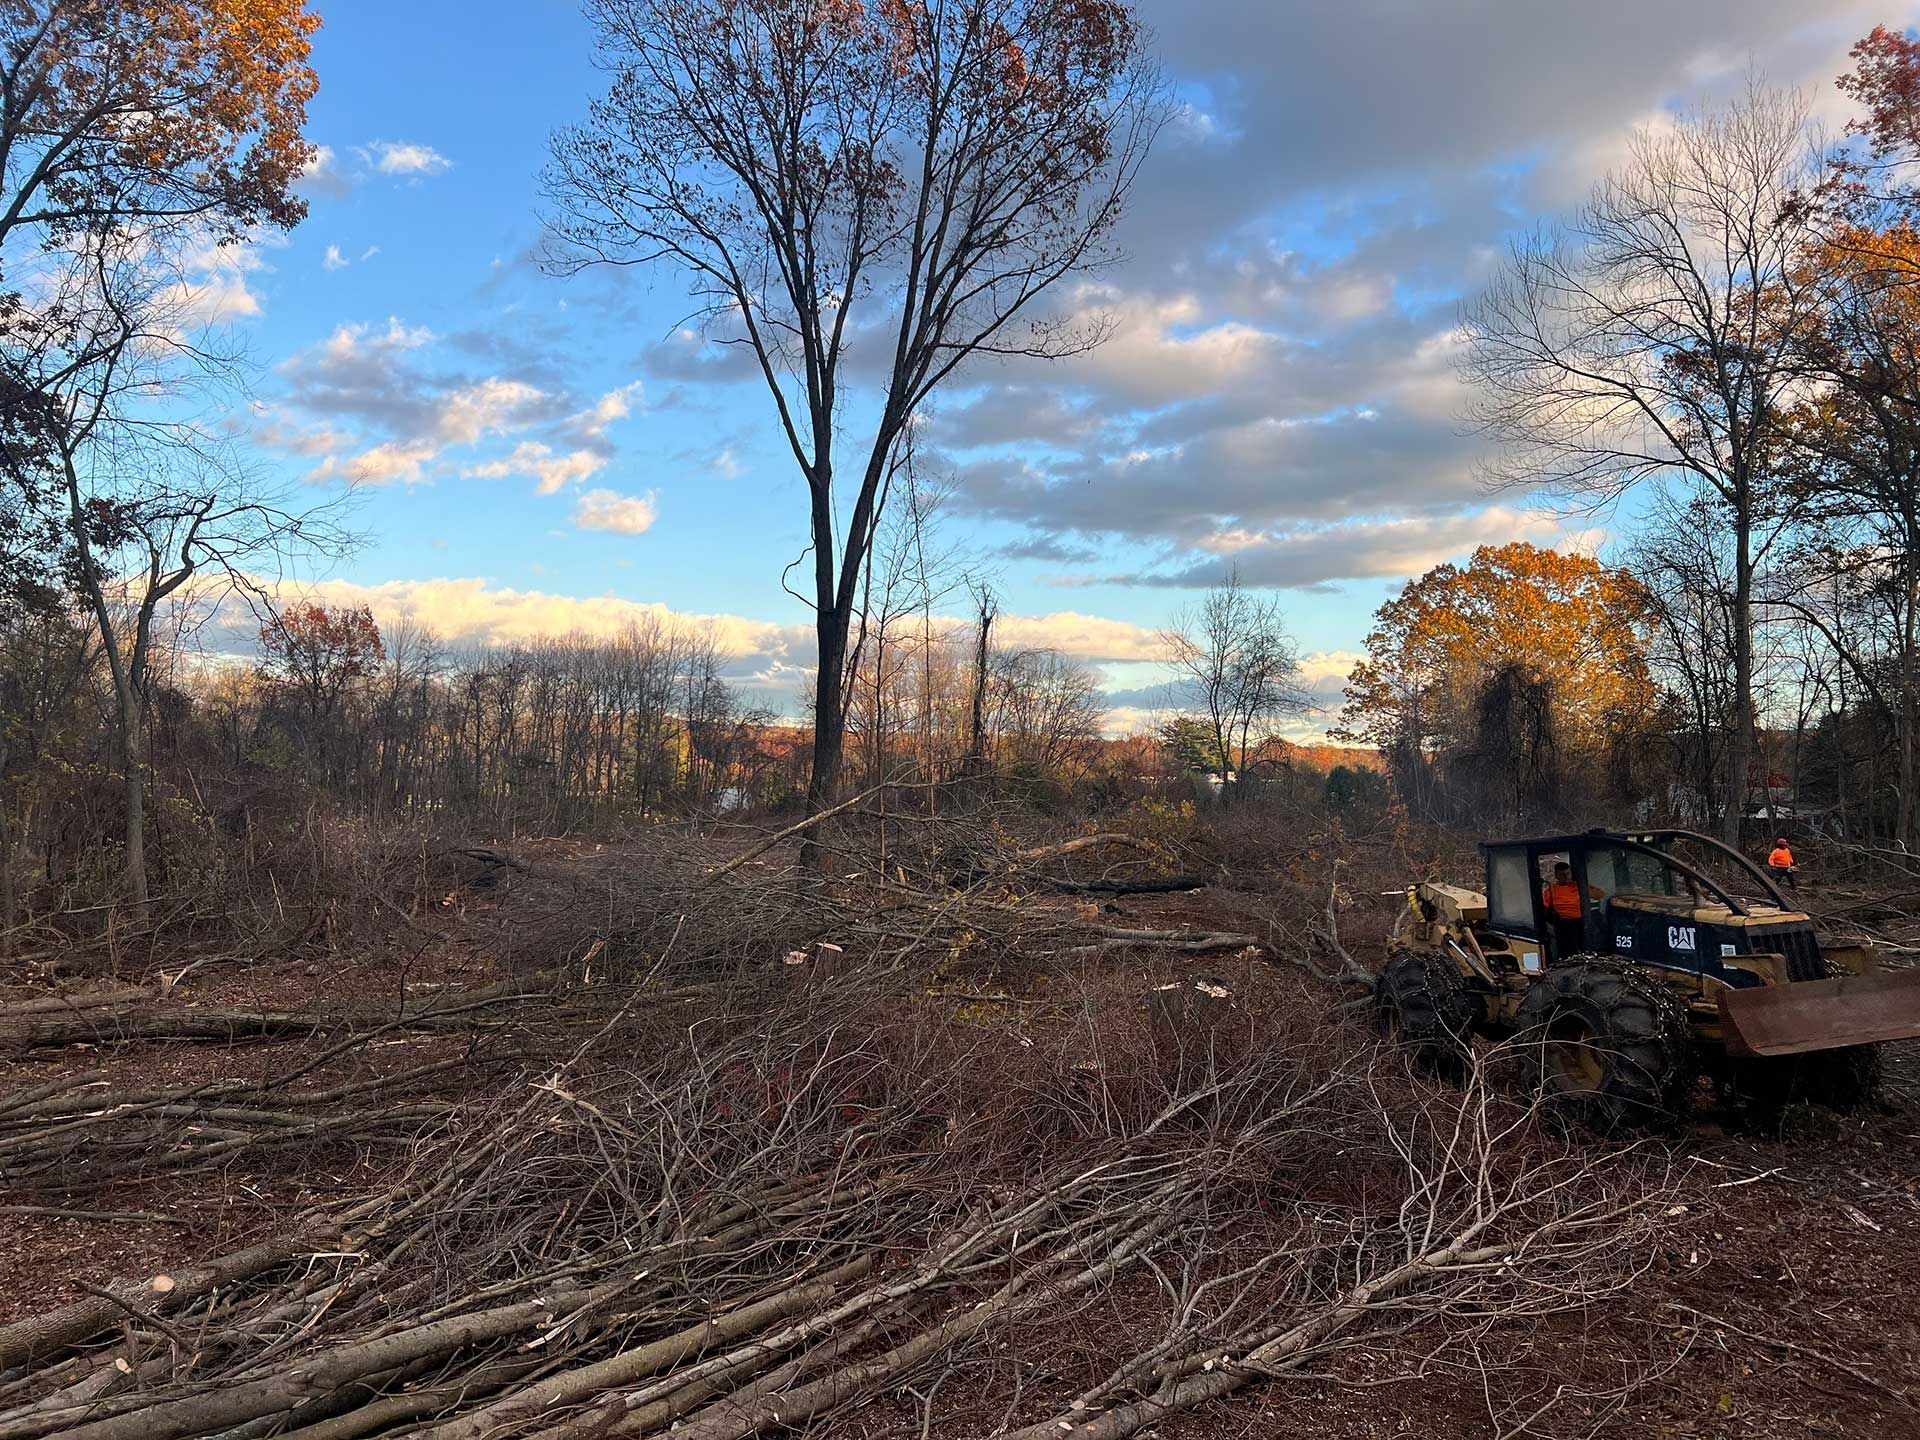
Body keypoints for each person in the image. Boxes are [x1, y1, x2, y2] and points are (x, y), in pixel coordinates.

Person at [1540, 861, 1600, 960]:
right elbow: (1544, 908)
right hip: (1563, 923)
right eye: (1561, 874)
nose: (1565, 877)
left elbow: (1600, 895)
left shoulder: (1580, 886)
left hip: (1583, 921)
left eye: (1567, 874)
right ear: (1556, 875)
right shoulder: (1550, 891)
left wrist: (1587, 887)